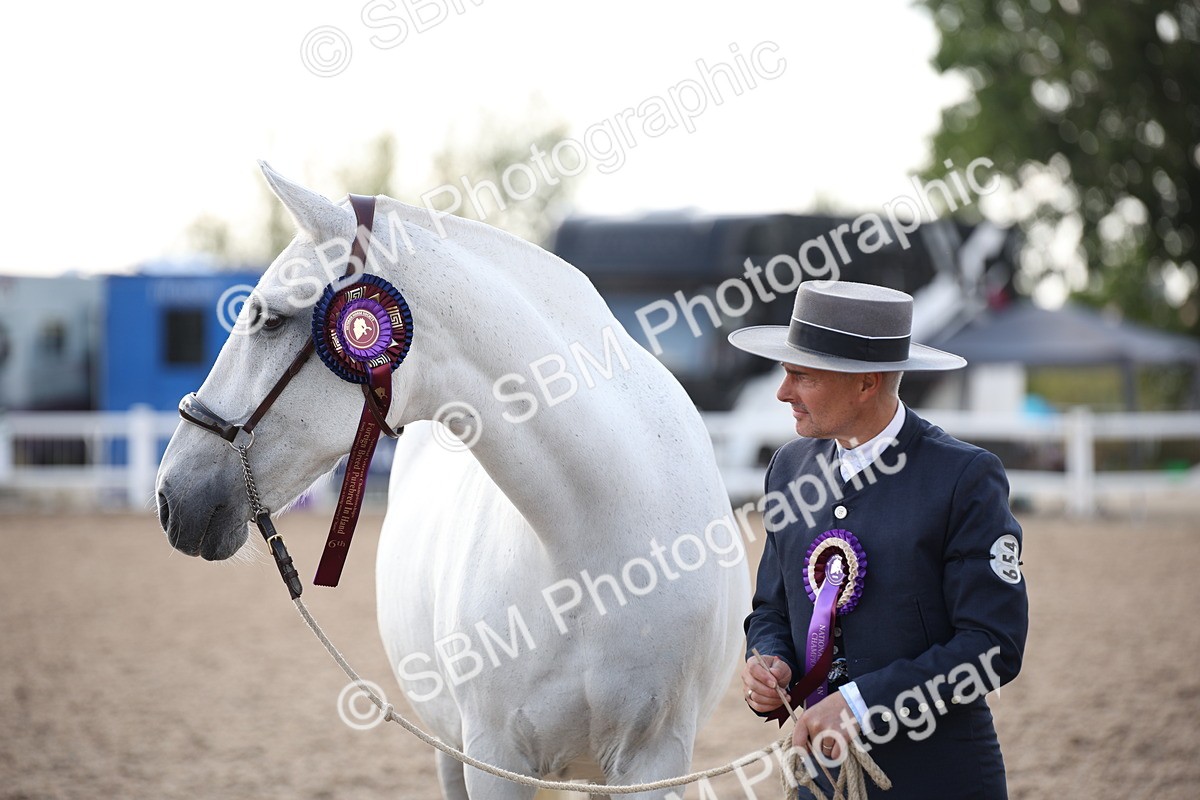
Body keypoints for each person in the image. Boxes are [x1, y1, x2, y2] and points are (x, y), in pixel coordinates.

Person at [728, 280, 1028, 799]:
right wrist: (770, 661)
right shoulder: (788, 468)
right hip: (821, 780)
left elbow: (993, 645)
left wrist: (861, 704)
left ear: (866, 383)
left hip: (936, 781)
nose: (783, 392)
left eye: (803, 376)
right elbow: (772, 607)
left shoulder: (964, 477)